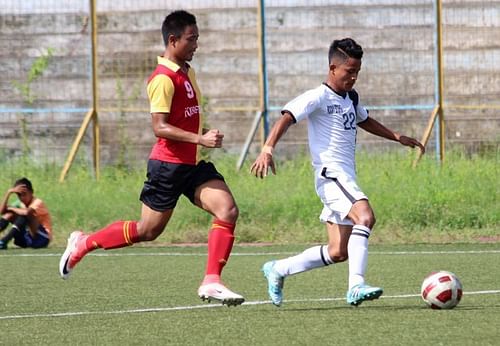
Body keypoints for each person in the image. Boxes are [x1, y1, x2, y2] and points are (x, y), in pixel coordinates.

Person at [59, 10, 245, 306]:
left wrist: (204, 132)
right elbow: (159, 127)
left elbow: (183, 120)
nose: (196, 44)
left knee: (228, 210)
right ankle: (83, 243)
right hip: (167, 167)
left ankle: (212, 281)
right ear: (173, 40)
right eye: (191, 39)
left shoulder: (186, 72)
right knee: (147, 231)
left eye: (197, 38)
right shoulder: (163, 79)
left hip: (192, 165)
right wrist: (200, 138)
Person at [251, 38, 425, 307]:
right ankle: (355, 285)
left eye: (357, 72)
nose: (353, 77)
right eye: (349, 71)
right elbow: (286, 116)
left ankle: (278, 269)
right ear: (333, 67)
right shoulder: (317, 96)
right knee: (365, 217)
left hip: (345, 177)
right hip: (330, 175)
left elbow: (364, 119)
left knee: (338, 251)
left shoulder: (350, 97)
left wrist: (397, 136)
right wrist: (267, 149)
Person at [0, 177, 52, 250]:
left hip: (42, 238)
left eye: (24, 194)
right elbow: (2, 212)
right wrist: (8, 192)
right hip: (27, 238)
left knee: (26, 214)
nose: (22, 198)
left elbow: (27, 212)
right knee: (10, 214)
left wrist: (11, 208)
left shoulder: (37, 202)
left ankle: (4, 240)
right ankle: (2, 242)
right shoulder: (20, 203)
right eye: (19, 195)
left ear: (31, 192)